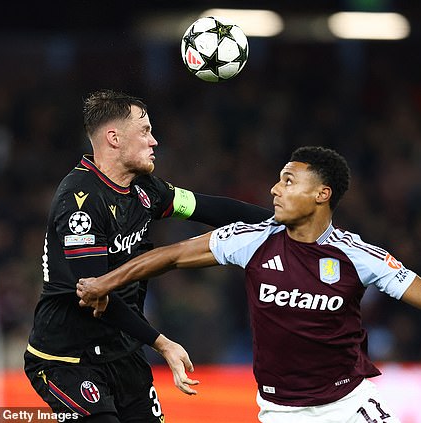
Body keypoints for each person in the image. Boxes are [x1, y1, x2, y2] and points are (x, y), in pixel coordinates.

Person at [76, 145, 421, 423]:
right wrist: (104, 281)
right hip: (279, 411)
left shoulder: (357, 255)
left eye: (289, 181)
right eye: (278, 180)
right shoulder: (251, 241)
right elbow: (169, 256)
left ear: (322, 194)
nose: (274, 189)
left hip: (349, 405)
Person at [24, 89, 271, 423]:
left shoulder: (146, 189)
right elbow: (98, 296)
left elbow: (208, 207)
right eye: (145, 131)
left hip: (123, 353)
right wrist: (162, 343)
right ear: (113, 138)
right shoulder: (79, 201)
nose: (154, 141)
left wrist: (282, 223)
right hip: (67, 358)